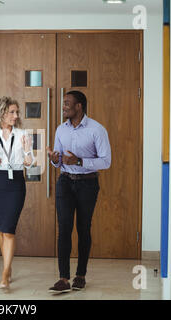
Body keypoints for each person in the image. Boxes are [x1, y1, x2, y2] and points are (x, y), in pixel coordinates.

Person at [47, 90, 111, 294]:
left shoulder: (97, 130)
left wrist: (80, 161)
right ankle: (63, 278)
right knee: (64, 228)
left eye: (67, 103)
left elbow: (106, 161)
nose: (63, 106)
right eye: (63, 103)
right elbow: (58, 161)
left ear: (79, 106)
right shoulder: (60, 130)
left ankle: (80, 275)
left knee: (83, 229)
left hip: (87, 184)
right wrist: (54, 158)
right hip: (65, 182)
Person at [0, 96, 35, 289]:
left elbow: (31, 162)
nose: (16, 115)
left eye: (17, 112)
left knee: (9, 229)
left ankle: (5, 273)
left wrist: (28, 151)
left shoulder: (22, 134)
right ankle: (8, 266)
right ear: (2, 113)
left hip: (16, 184)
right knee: (1, 230)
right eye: (12, 112)